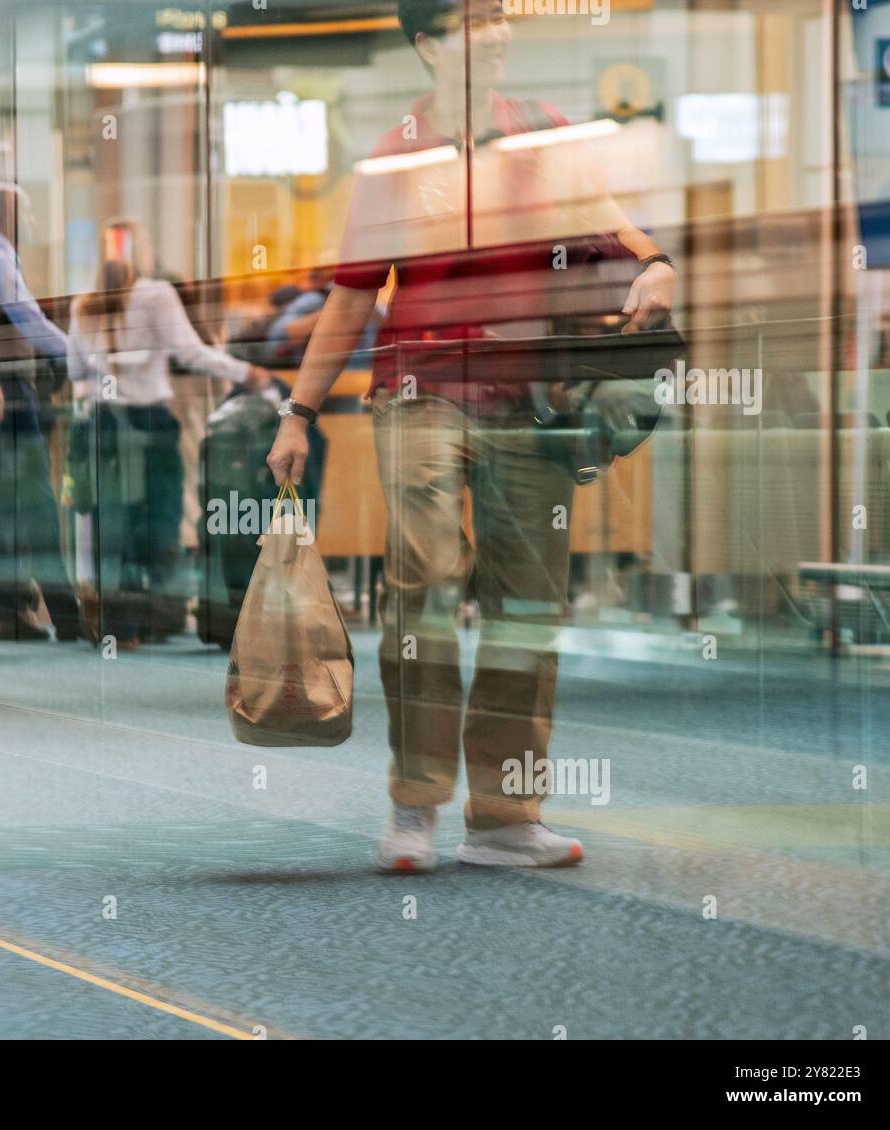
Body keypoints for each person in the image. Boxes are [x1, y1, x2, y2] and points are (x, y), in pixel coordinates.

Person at [265, 0, 677, 871]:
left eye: (497, 19)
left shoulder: (541, 136)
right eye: (469, 23)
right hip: (420, 393)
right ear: (427, 47)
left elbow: (612, 222)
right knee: (425, 582)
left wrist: (656, 263)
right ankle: (416, 806)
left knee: (529, 601)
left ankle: (502, 816)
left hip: (530, 399)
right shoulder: (392, 159)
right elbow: (350, 295)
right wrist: (298, 413)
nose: (492, 33)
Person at [68, 218, 270, 646]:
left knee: (112, 522)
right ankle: (158, 613)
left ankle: (118, 624)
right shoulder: (156, 294)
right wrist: (245, 371)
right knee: (160, 517)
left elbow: (75, 372)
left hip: (103, 425)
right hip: (150, 422)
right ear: (141, 253)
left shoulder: (83, 304)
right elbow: (189, 351)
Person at [0, 182, 84, 642]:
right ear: (11, 217)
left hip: (8, 387)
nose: (35, 223)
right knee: (36, 503)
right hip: (10, 390)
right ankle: (58, 613)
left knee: (15, 505)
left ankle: (22, 611)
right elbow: (27, 319)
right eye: (28, 214)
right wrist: (75, 352)